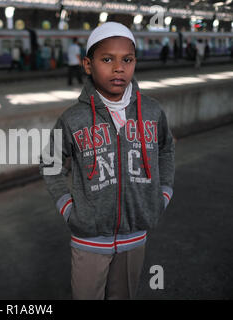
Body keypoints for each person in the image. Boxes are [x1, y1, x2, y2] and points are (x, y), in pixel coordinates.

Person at [39, 22, 175, 300]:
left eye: (127, 59)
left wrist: (163, 194)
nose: (118, 68)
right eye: (107, 59)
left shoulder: (151, 111)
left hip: (136, 236)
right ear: (88, 65)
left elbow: (166, 149)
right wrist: (68, 208)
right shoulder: (73, 119)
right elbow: (50, 162)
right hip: (88, 240)